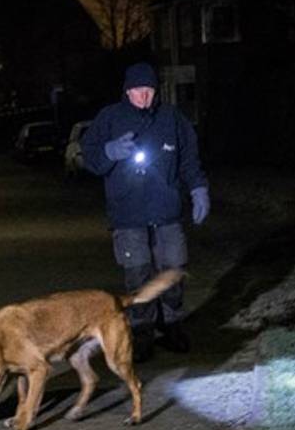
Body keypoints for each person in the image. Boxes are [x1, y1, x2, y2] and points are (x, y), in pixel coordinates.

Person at [80, 62, 209, 362]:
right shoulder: (110, 117)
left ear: (155, 91)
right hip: (128, 214)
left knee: (173, 268)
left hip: (166, 211)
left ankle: (172, 324)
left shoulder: (172, 118)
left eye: (148, 90)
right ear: (127, 91)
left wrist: (198, 188)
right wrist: (109, 151)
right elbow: (89, 154)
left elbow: (189, 158)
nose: (143, 96)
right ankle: (141, 332)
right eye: (137, 91)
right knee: (137, 273)